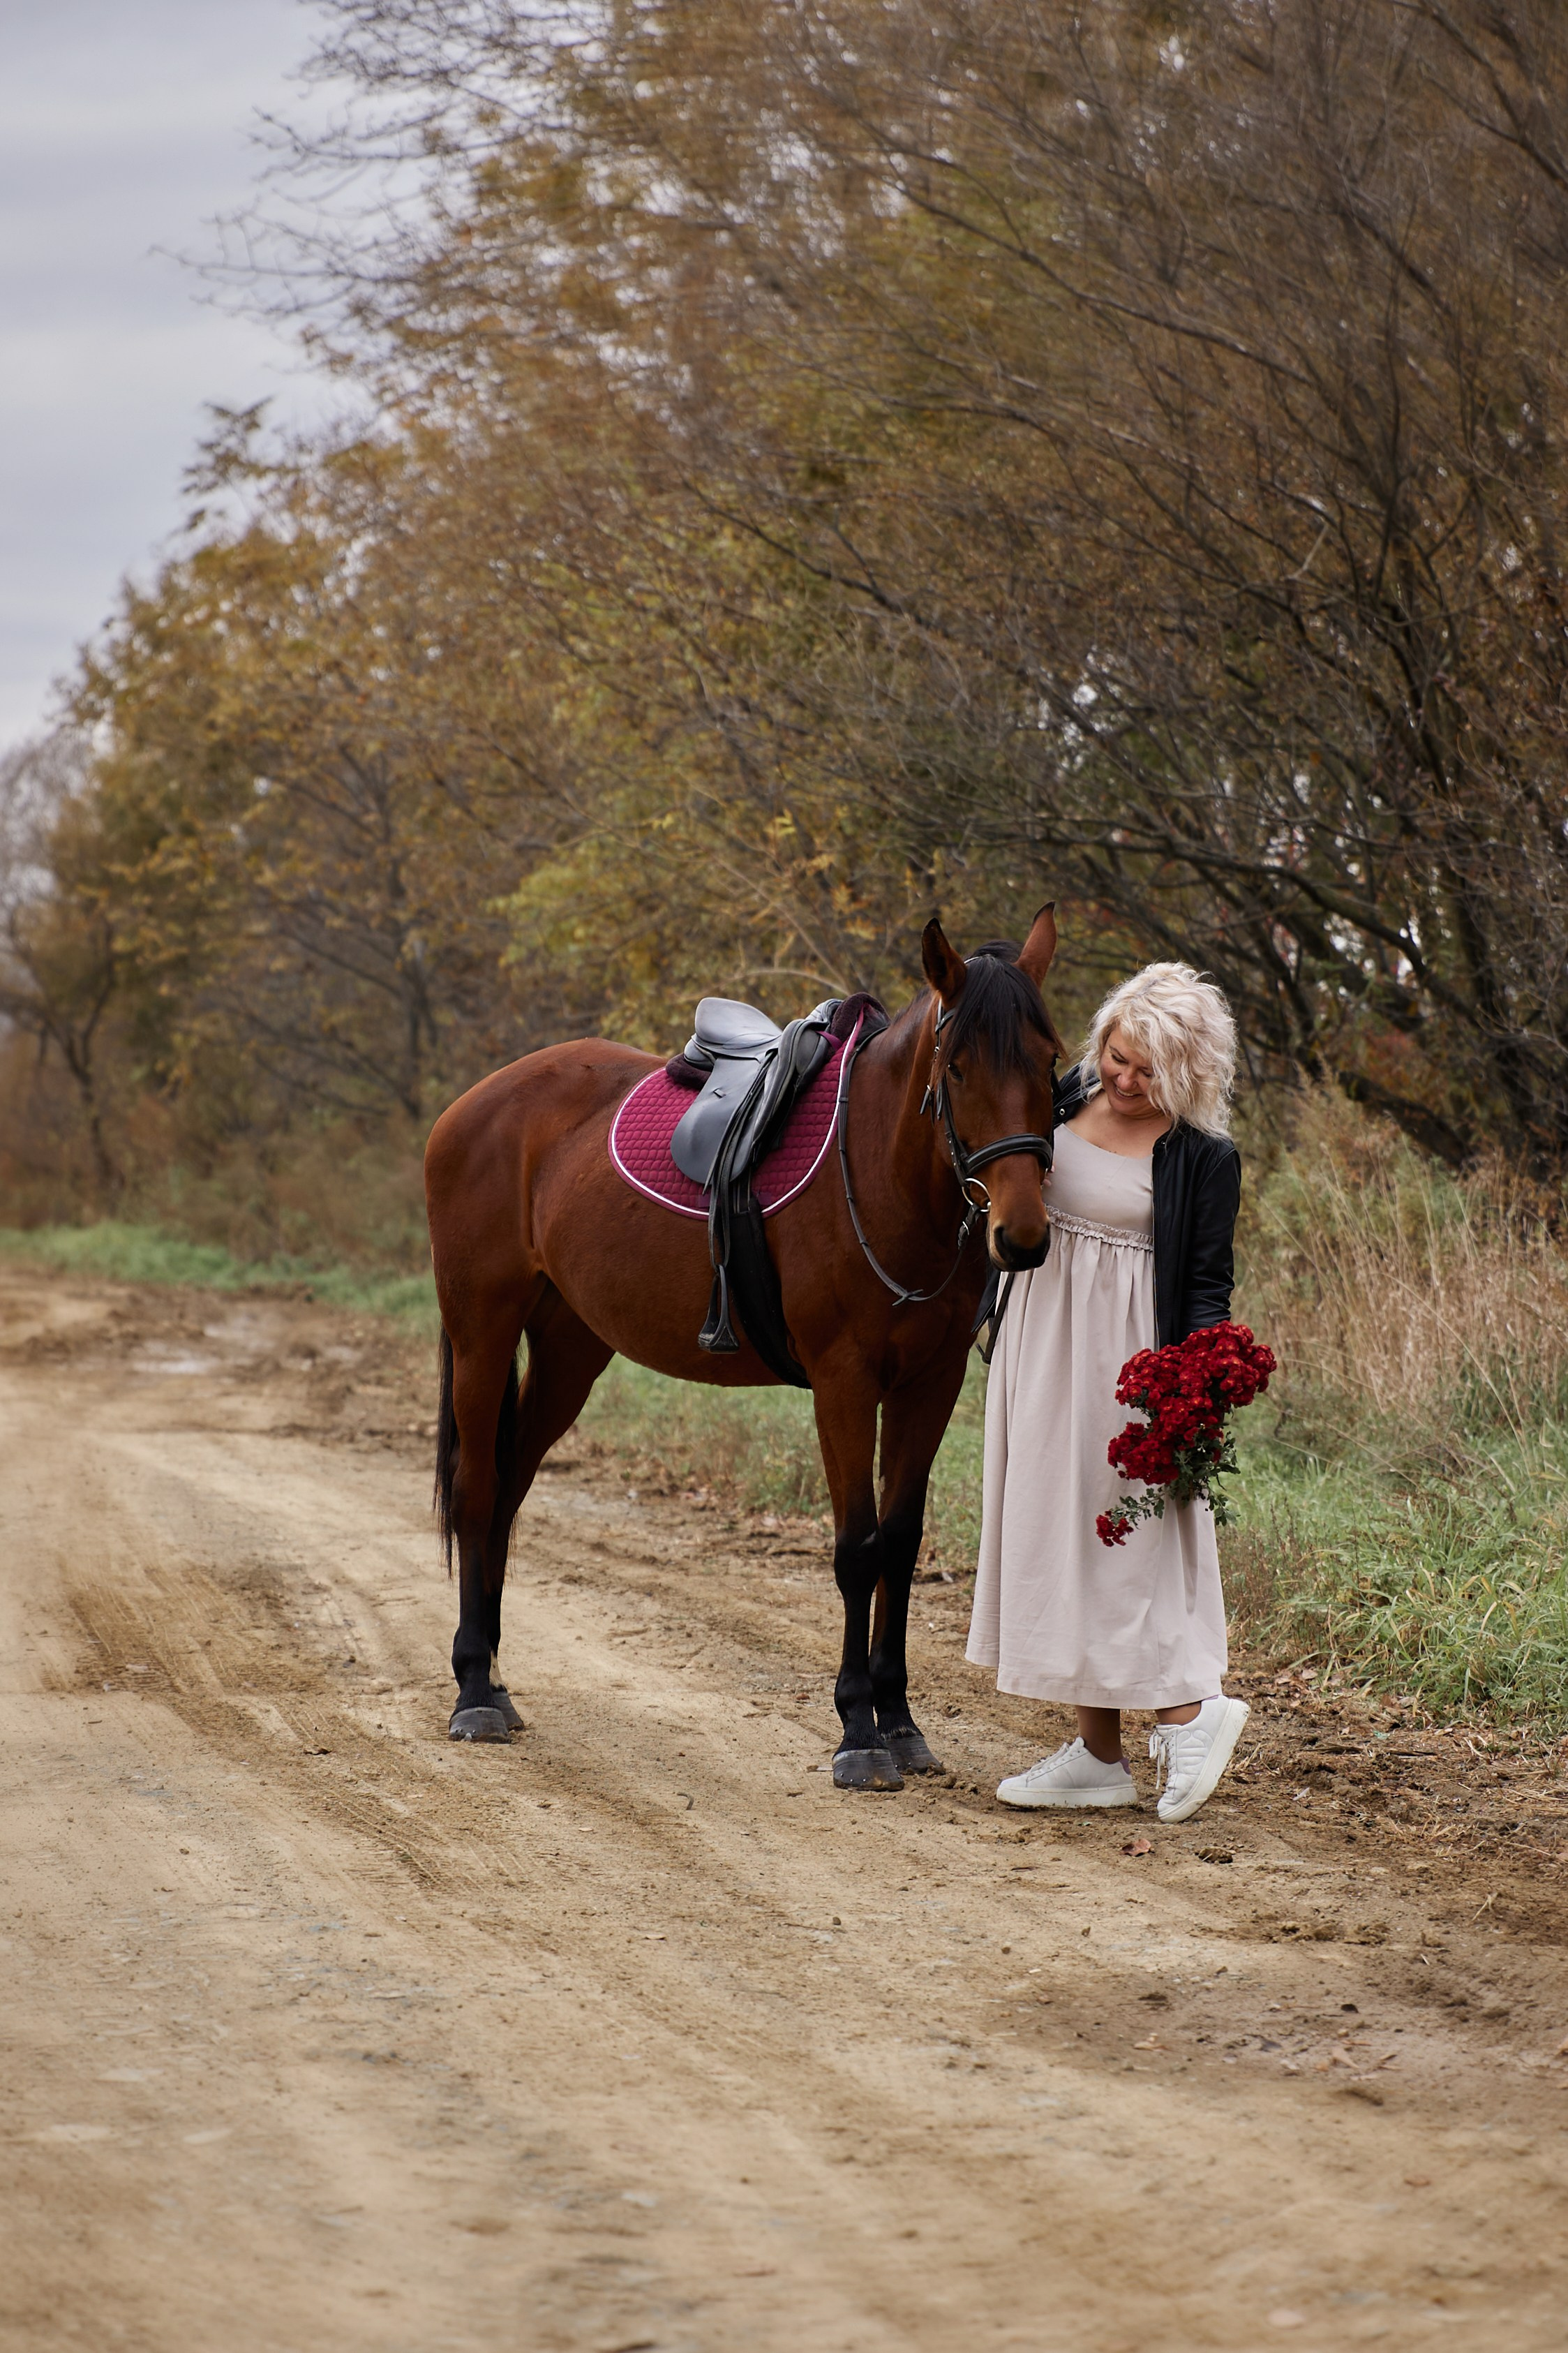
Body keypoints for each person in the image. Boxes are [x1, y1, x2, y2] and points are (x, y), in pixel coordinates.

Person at [966, 961, 1250, 1823]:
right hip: (1040, 1347)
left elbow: (1206, 1284)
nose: (1124, 1080)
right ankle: (1098, 1754)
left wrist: (1199, 1386)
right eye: (1118, 1057)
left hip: (1127, 1368)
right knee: (1060, 1536)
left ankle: (1189, 1712)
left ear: (1189, 1072)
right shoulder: (1058, 1101)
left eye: (1147, 1070)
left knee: (1132, 1549)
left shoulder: (1202, 1156)